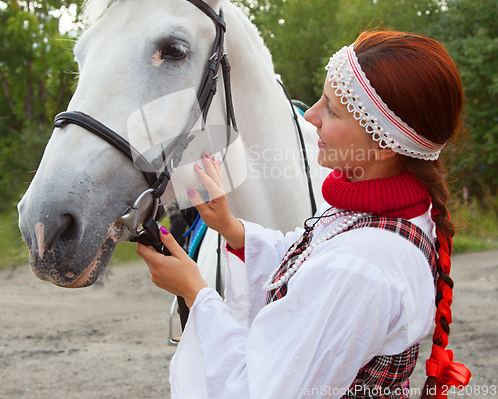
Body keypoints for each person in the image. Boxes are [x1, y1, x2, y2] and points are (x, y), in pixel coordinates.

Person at [137, 30, 471, 398]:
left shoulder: (363, 266)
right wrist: (232, 230)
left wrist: (194, 291)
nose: (310, 114)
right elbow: (310, 264)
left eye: (332, 109)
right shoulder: (376, 216)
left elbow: (263, 389)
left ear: (384, 146)